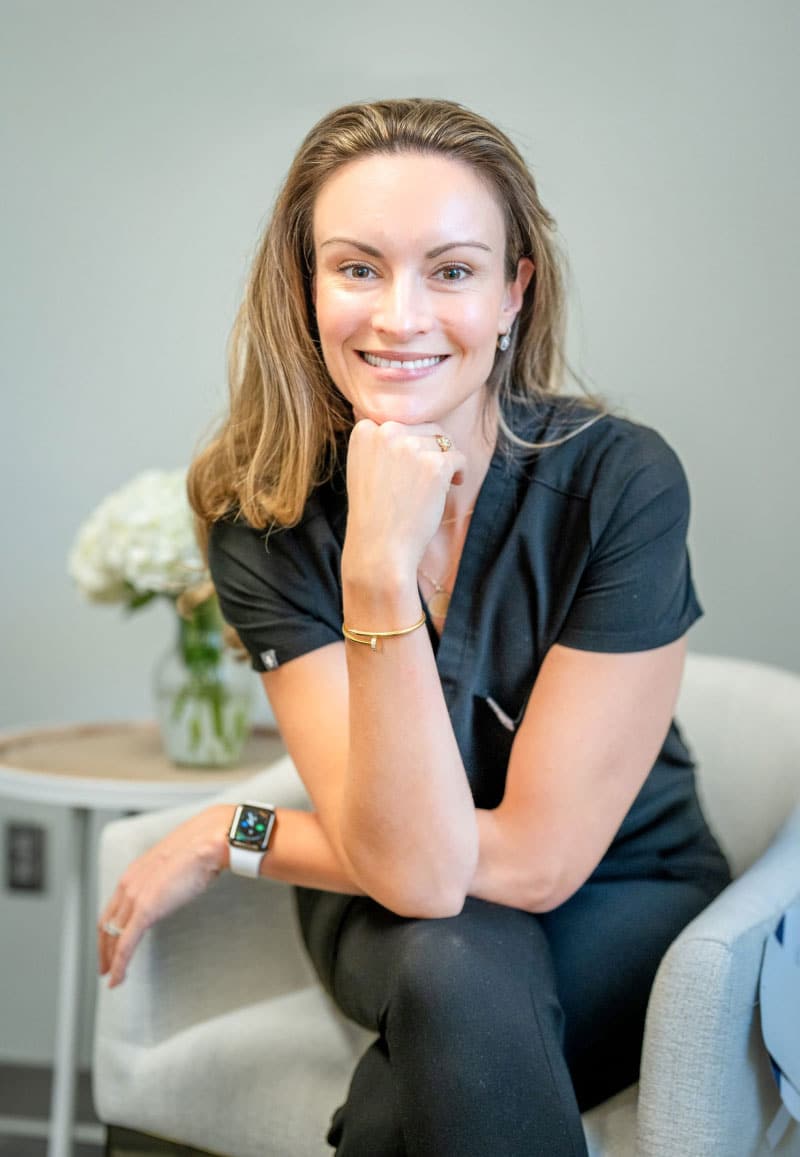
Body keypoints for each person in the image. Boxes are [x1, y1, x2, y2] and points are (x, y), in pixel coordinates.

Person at [97, 98, 732, 1155]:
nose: (399, 317)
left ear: (510, 291)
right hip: (377, 890)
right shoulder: (257, 510)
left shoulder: (620, 482)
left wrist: (233, 833)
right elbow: (411, 874)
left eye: (449, 269)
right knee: (448, 954)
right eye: (355, 267)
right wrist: (371, 560)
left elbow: (529, 861)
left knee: (438, 1017)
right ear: (304, 291)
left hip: (617, 883)